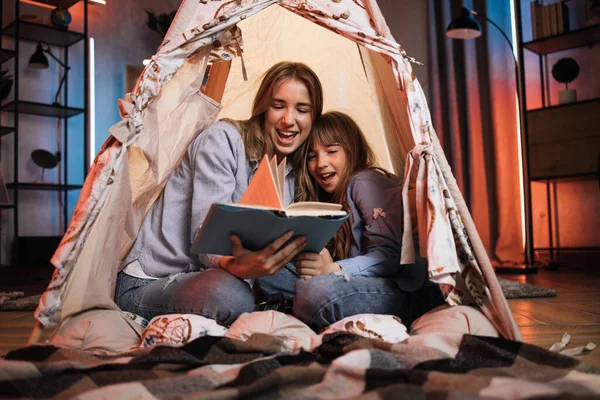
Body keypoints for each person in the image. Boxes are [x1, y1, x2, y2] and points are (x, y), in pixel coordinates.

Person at [116, 61, 324, 325]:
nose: (288, 120)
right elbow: (208, 240)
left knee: (314, 291)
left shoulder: (293, 172)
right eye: (278, 106)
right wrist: (240, 266)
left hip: (223, 276)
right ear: (263, 107)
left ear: (312, 117)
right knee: (231, 296)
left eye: (301, 110)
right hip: (149, 282)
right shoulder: (223, 140)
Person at [291, 111, 446, 330]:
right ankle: (298, 303)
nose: (321, 163)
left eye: (332, 151)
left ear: (351, 151)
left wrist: (333, 268)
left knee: (314, 293)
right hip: (368, 283)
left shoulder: (363, 181)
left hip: (409, 292)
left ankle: (299, 304)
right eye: (312, 156)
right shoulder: (332, 198)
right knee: (276, 273)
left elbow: (389, 256)